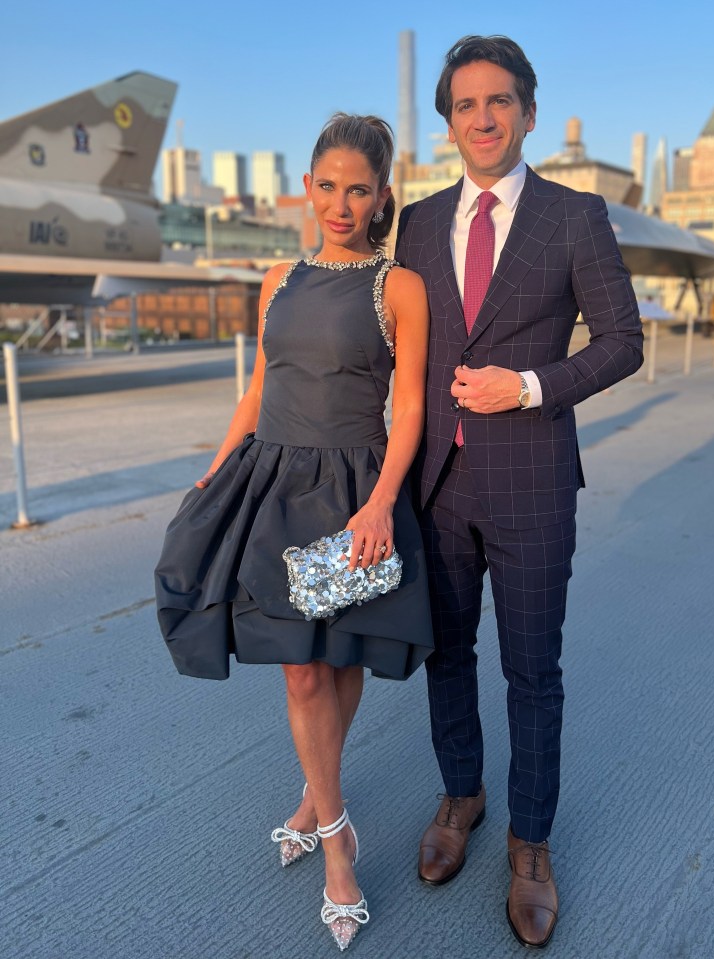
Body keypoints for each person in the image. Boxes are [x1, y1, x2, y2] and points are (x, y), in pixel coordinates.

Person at [155, 113, 433, 952]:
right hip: (271, 483)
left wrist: (382, 501)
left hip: (353, 488)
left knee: (337, 656)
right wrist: (216, 466)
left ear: (382, 195)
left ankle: (316, 800)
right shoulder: (276, 276)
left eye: (358, 189)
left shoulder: (399, 286)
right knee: (301, 673)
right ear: (306, 187)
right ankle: (337, 839)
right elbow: (256, 387)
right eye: (327, 186)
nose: (340, 203)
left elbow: (410, 404)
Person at [395, 36, 643, 948]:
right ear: (449, 122)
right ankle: (460, 797)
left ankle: (529, 844)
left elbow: (622, 341)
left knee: (531, 673)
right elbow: (403, 349)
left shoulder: (574, 216)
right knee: (446, 656)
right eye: (465, 105)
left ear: (528, 113)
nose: (483, 118)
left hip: (533, 481)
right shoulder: (417, 223)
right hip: (438, 483)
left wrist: (529, 385)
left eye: (499, 101)